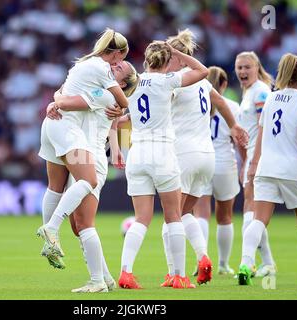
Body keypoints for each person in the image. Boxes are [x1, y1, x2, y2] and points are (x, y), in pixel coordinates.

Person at [160, 31, 249, 287]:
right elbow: (221, 102)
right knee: (186, 213)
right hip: (206, 156)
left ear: (177, 57)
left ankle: (174, 273)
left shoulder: (175, 80)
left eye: (168, 57)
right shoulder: (201, 82)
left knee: (171, 216)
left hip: (183, 155)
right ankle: (203, 258)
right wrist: (234, 126)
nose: (165, 63)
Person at [118, 40, 209, 290]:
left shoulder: (133, 82)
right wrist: (178, 52)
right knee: (174, 217)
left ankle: (126, 272)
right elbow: (203, 71)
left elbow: (122, 117)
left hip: (137, 154)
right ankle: (178, 276)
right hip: (162, 153)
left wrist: (118, 150)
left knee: (141, 219)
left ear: (146, 61)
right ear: (167, 61)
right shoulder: (168, 81)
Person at [42, 61, 139, 293]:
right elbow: (69, 97)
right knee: (79, 226)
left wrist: (55, 101)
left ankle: (96, 280)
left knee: (85, 224)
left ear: (122, 83)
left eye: (118, 70)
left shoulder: (104, 95)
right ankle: (105, 278)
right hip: (84, 157)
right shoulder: (106, 95)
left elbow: (66, 99)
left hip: (91, 160)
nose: (112, 67)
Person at [36, 28, 129, 263]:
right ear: (115, 53)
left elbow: (115, 124)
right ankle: (52, 231)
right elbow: (116, 113)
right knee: (81, 217)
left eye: (121, 67)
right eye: (120, 60)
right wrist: (57, 101)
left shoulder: (94, 78)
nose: (118, 65)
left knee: (64, 199)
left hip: (72, 139)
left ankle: (52, 239)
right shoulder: (102, 84)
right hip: (74, 139)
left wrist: (55, 101)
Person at [238, 53, 297, 285]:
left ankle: (244, 263)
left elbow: (261, 132)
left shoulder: (271, 98)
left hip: (267, 167)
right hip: (294, 169)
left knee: (259, 219)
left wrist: (254, 163)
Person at [193, 66, 242, 276]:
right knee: (225, 216)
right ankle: (223, 264)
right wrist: (246, 164)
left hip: (202, 159)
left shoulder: (197, 103)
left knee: (201, 214)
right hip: (224, 163)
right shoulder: (232, 106)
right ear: (223, 85)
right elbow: (238, 139)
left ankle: (201, 260)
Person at [235, 51, 276, 277]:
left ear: (256, 67)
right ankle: (266, 263)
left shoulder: (260, 91)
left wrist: (254, 160)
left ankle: (247, 263)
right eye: (239, 67)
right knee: (253, 210)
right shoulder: (250, 92)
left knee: (251, 208)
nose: (242, 71)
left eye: (247, 67)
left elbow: (265, 127)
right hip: (252, 155)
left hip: (258, 156)